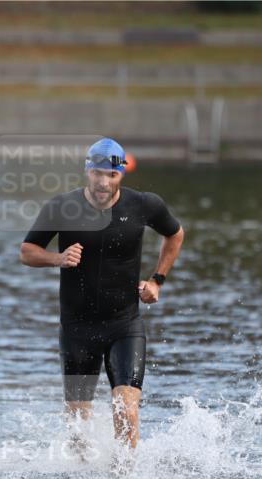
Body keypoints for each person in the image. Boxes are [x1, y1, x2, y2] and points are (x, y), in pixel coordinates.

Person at [19, 137, 185, 453]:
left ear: (122, 174)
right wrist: (58, 258)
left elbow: (175, 234)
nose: (103, 183)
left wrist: (157, 280)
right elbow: (27, 251)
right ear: (87, 171)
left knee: (126, 405)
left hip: (124, 325)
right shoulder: (62, 206)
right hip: (77, 329)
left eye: (112, 175)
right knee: (77, 423)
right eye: (97, 174)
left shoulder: (144, 205)